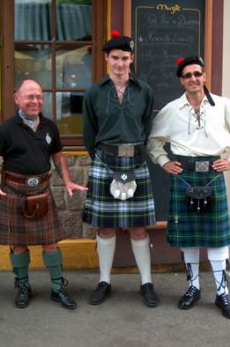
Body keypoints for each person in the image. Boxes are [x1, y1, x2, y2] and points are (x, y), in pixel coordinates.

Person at [147, 56, 230, 319]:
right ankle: (193, 288)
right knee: (189, 239)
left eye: (197, 73)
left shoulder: (224, 106)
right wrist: (163, 161)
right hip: (184, 176)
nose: (193, 79)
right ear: (181, 80)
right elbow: (154, 141)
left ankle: (222, 293)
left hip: (212, 175)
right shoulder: (171, 110)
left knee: (217, 240)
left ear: (204, 76)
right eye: (187, 75)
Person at [0, 79, 87, 309]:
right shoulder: (5, 129)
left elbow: (58, 157)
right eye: (30, 97)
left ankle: (57, 288)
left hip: (42, 190)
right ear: (17, 98)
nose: (35, 101)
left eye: (39, 97)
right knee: (18, 244)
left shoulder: (49, 126)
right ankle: (23, 286)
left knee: (51, 243)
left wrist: (67, 180)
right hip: (14, 192)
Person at [82, 31, 159, 307]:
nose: (120, 63)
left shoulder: (144, 91)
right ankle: (104, 281)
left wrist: (135, 152)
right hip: (105, 160)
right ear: (106, 58)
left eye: (125, 58)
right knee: (106, 227)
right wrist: (104, 157)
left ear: (131, 59)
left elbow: (148, 127)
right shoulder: (94, 93)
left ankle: (146, 283)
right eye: (115, 58)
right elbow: (89, 133)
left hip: (136, 161)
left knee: (138, 228)